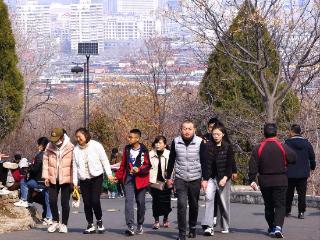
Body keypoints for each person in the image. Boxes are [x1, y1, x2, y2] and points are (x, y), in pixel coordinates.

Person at [248, 123, 296, 238]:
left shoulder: (258, 148)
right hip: (280, 179)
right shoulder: (282, 146)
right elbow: (293, 158)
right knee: (280, 205)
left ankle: (271, 227)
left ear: (263, 134)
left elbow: (253, 165)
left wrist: (252, 179)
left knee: (268, 205)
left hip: (265, 180)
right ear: (276, 133)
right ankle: (278, 227)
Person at [166, 120, 207, 240]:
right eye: (184, 129)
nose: (187, 131)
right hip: (180, 178)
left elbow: (205, 161)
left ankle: (193, 227)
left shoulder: (200, 142)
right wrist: (169, 177)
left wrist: (205, 179)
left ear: (194, 130)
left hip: (195, 178)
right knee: (181, 204)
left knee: (194, 204)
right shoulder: (176, 141)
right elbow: (172, 160)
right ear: (181, 130)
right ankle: (181, 234)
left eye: (189, 129)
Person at [73, 128, 115, 234]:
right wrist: (74, 182)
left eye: (80, 136)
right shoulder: (76, 149)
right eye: (76, 137)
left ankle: (99, 221)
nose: (78, 139)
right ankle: (90, 224)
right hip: (83, 178)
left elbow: (104, 160)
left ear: (86, 135)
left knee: (95, 200)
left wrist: (109, 174)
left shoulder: (96, 145)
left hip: (96, 177)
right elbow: (74, 166)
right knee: (87, 202)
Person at [115, 129, 151, 236]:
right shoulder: (127, 149)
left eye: (131, 137)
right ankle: (130, 226)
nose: (128, 139)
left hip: (141, 180)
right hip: (129, 179)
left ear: (137, 138)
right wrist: (117, 177)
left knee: (141, 202)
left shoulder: (144, 150)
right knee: (128, 202)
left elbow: (148, 165)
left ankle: (140, 224)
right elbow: (123, 165)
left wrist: (139, 169)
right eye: (128, 137)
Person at [203, 117, 238, 227]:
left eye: (217, 132)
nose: (214, 134)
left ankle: (224, 224)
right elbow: (204, 161)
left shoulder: (226, 144)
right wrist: (204, 178)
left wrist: (232, 172)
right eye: (211, 129)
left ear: (222, 133)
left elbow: (230, 160)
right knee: (209, 198)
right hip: (211, 176)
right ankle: (210, 222)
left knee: (222, 201)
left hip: (223, 175)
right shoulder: (205, 142)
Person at [14, 137, 53, 225]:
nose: (37, 146)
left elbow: (35, 169)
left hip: (39, 181)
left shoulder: (40, 155)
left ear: (42, 145)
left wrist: (30, 167)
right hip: (49, 181)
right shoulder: (51, 154)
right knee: (48, 199)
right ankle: (49, 218)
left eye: (38, 144)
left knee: (24, 182)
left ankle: (24, 200)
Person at [42, 128, 74, 233]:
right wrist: (46, 176)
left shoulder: (71, 147)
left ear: (62, 137)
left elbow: (74, 165)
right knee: (52, 201)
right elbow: (45, 162)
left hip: (66, 179)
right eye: (53, 138)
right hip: (52, 178)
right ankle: (55, 221)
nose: (54, 141)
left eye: (56, 138)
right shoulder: (49, 146)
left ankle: (64, 224)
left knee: (64, 203)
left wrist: (73, 181)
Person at [285, 124, 316, 219]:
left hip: (290, 172)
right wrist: (312, 167)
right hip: (303, 173)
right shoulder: (307, 143)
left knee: (289, 193)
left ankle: (287, 211)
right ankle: (301, 212)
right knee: (302, 194)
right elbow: (312, 157)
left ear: (292, 131)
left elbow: (283, 156)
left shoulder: (287, 143)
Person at [149, 136, 172, 229]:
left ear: (165, 145)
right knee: (156, 201)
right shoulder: (150, 154)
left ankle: (166, 219)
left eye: (160, 143)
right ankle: (156, 221)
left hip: (166, 181)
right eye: (156, 143)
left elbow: (173, 167)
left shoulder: (169, 154)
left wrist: (171, 179)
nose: (157, 145)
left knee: (166, 201)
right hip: (154, 181)